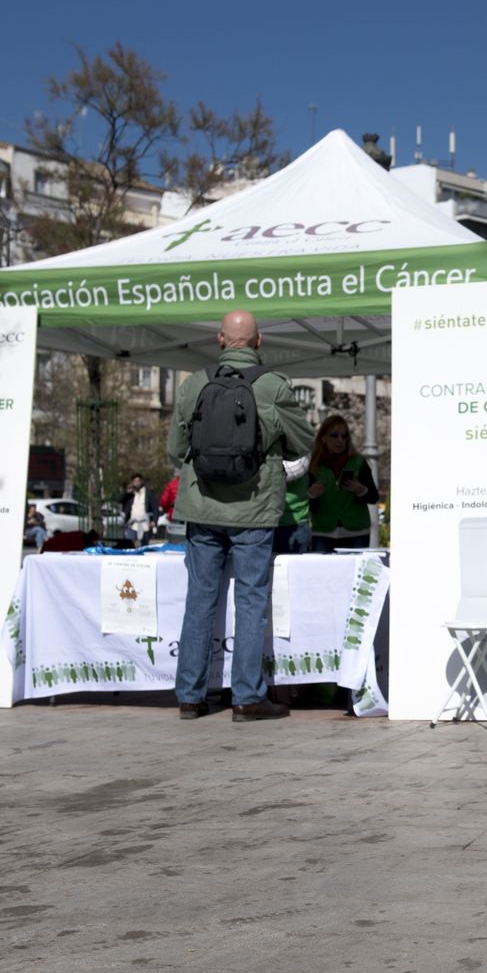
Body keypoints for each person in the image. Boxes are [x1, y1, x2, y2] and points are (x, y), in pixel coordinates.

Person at [168, 309, 316, 723]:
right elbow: (304, 441)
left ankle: (189, 697)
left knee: (200, 599)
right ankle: (247, 698)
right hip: (255, 507)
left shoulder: (194, 384)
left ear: (219, 340)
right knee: (251, 601)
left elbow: (175, 448)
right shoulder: (273, 387)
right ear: (259, 341)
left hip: (202, 505)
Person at [306, 417, 379, 552]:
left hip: (357, 533)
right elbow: (306, 505)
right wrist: (311, 495)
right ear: (323, 438)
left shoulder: (358, 462)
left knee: (355, 573)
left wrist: (361, 490)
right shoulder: (313, 466)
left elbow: (374, 497)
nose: (340, 440)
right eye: (334, 435)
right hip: (323, 532)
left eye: (344, 436)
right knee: (323, 573)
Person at [119, 473, 156, 545]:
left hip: (145, 524)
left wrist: (154, 520)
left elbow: (154, 507)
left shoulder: (148, 494)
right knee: (129, 544)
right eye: (134, 481)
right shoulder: (130, 495)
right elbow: (120, 501)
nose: (136, 483)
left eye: (138, 481)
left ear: (141, 482)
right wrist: (127, 493)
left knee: (144, 546)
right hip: (132, 524)